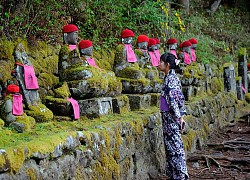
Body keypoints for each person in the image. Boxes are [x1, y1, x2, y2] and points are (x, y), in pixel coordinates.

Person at [158, 53, 189, 180]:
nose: (158, 64)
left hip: (171, 117)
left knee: (175, 146)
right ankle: (174, 174)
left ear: (168, 65)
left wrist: (179, 117)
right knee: (170, 146)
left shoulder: (171, 79)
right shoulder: (169, 78)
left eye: (161, 62)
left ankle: (180, 175)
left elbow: (173, 100)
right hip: (168, 117)